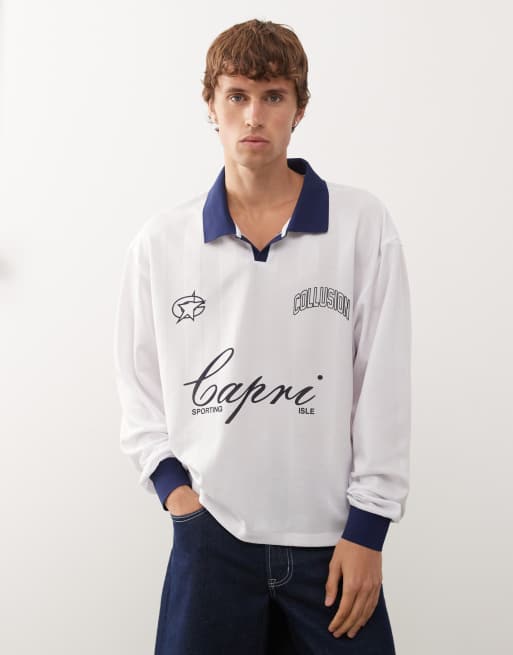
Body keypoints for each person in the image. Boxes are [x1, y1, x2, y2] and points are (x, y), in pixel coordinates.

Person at [113, 18, 411, 655]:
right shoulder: (162, 244)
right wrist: (177, 497)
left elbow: (383, 383)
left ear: (299, 108)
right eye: (237, 95)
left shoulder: (362, 226)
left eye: (273, 96)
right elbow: (138, 391)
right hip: (211, 538)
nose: (254, 115)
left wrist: (369, 529)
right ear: (211, 104)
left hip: (334, 543)